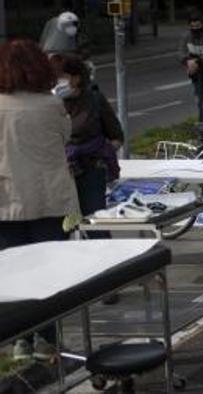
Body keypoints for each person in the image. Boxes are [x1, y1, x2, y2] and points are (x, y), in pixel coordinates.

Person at [0, 40, 76, 361]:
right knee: (48, 273)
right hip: (49, 201)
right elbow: (65, 137)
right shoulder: (52, 105)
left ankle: (20, 340)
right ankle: (47, 338)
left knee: (16, 272)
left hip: (7, 201)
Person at [52, 55, 122, 228]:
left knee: (94, 222)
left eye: (61, 77)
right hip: (59, 173)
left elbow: (117, 137)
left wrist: (102, 151)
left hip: (90, 170)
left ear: (76, 77)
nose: (55, 82)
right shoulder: (50, 103)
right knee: (61, 227)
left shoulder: (94, 99)